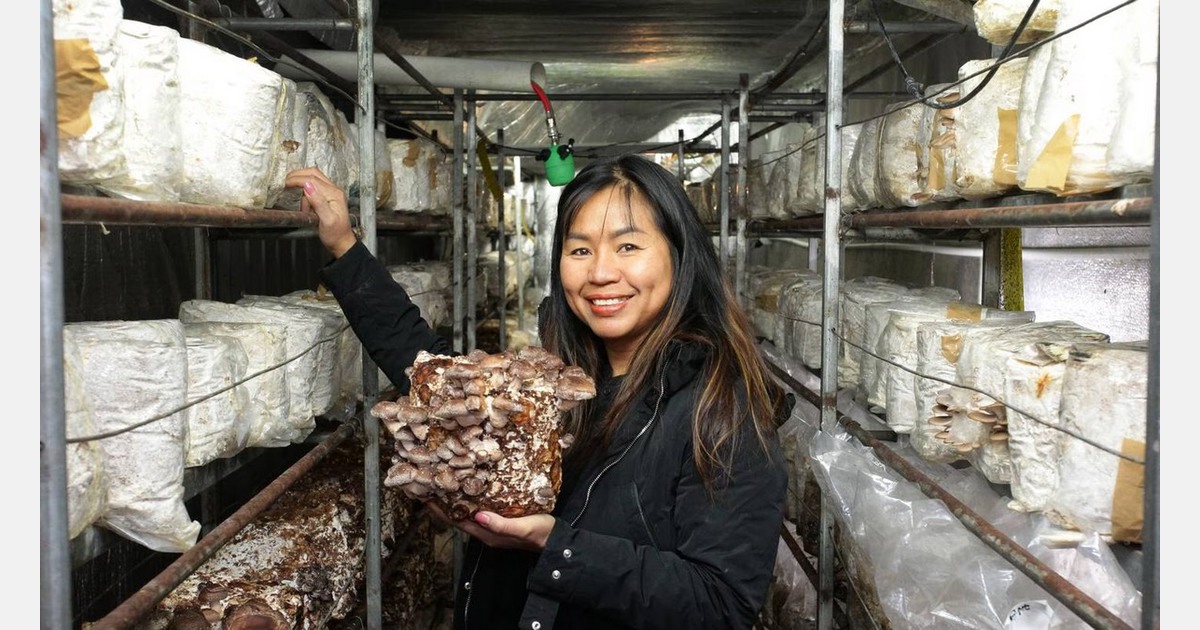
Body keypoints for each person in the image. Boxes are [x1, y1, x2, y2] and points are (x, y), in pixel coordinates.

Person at [284, 153, 791, 630]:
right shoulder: (560, 381)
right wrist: (345, 246)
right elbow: (432, 373)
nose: (601, 273)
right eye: (580, 249)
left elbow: (720, 604)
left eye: (628, 246)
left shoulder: (723, 408)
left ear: (681, 257)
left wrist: (555, 546)